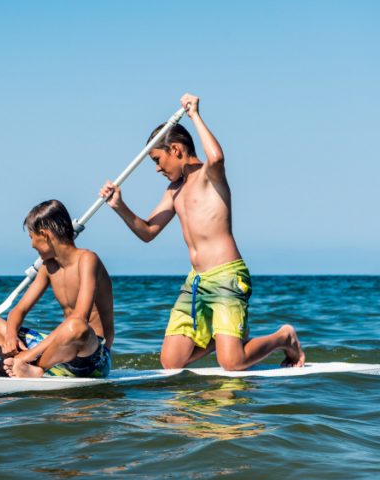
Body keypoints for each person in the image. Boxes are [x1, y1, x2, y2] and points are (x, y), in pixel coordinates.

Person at [99, 93, 304, 370]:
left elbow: (217, 157)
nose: (157, 168)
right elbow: (148, 231)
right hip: (196, 282)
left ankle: (284, 337)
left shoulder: (210, 175)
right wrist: (119, 206)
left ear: (176, 150)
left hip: (227, 276)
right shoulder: (174, 191)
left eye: (158, 160)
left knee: (231, 363)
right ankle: (225, 338)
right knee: (171, 362)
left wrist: (194, 114)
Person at [0, 200, 114, 378]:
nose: (32, 245)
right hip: (58, 354)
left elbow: (79, 318)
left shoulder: (88, 260)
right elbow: (19, 310)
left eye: (31, 237)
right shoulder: (48, 267)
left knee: (76, 325)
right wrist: (11, 336)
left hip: (93, 357)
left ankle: (29, 366)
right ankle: (23, 366)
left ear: (44, 235)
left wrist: (29, 355)